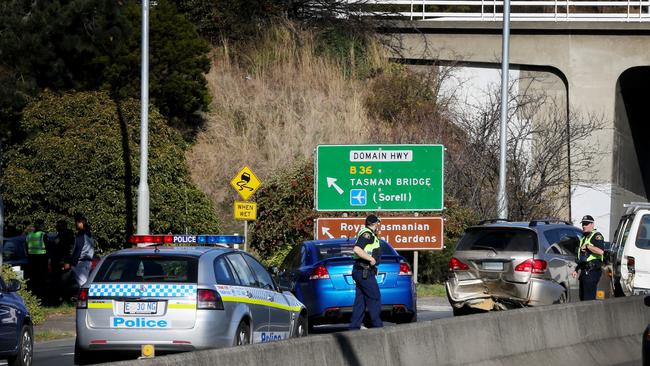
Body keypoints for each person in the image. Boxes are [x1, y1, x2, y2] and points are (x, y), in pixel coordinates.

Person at [349, 214, 383, 330]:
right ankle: (378, 327)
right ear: (375, 223)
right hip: (364, 271)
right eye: (378, 223)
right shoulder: (367, 234)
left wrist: (374, 268)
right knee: (374, 297)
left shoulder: (368, 233)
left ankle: (354, 328)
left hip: (362, 270)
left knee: (361, 301)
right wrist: (371, 259)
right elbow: (357, 249)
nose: (379, 225)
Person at [571, 215, 605, 301]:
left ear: (592, 224)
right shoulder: (583, 238)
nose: (584, 226)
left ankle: (590, 314)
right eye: (583, 224)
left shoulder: (596, 236)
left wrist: (588, 246)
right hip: (584, 271)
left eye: (586, 224)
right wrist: (576, 269)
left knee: (588, 298)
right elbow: (583, 257)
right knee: (582, 298)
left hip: (592, 271)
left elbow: (601, 251)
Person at [66, 213, 94, 290]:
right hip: (88, 262)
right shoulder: (89, 234)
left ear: (81, 223)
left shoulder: (81, 235)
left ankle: (84, 300)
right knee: (85, 283)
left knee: (83, 286)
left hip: (81, 263)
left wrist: (71, 263)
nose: (75, 224)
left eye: (77, 222)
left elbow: (78, 250)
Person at [25, 219, 48, 297]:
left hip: (31, 259)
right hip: (41, 259)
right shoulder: (43, 235)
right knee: (42, 278)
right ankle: (41, 295)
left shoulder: (29, 235)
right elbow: (48, 247)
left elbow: (25, 248)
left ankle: (33, 294)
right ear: (41, 226)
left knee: (33, 278)